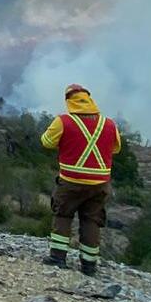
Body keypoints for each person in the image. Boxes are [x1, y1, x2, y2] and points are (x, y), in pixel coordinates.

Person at [39, 84, 122, 275]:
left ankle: (58, 258)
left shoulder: (63, 121)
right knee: (91, 220)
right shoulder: (108, 124)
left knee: (63, 214)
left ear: (69, 101)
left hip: (71, 181)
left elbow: (47, 142)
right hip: (100, 184)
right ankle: (89, 265)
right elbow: (116, 148)